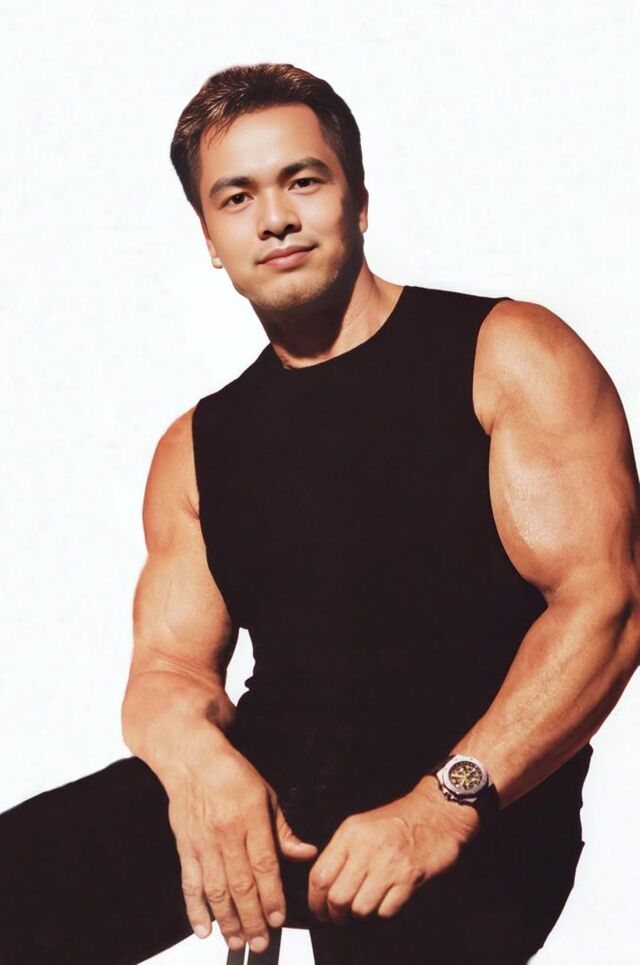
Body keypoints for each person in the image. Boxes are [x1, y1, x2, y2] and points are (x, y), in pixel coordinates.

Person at [1, 61, 639, 965]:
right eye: (237, 197)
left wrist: (442, 805)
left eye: (302, 180)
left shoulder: (506, 353)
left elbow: (605, 605)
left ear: (359, 201)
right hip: (283, 792)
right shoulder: (197, 445)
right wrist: (204, 771)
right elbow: (168, 671)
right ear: (211, 238)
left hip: (482, 803)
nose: (274, 218)